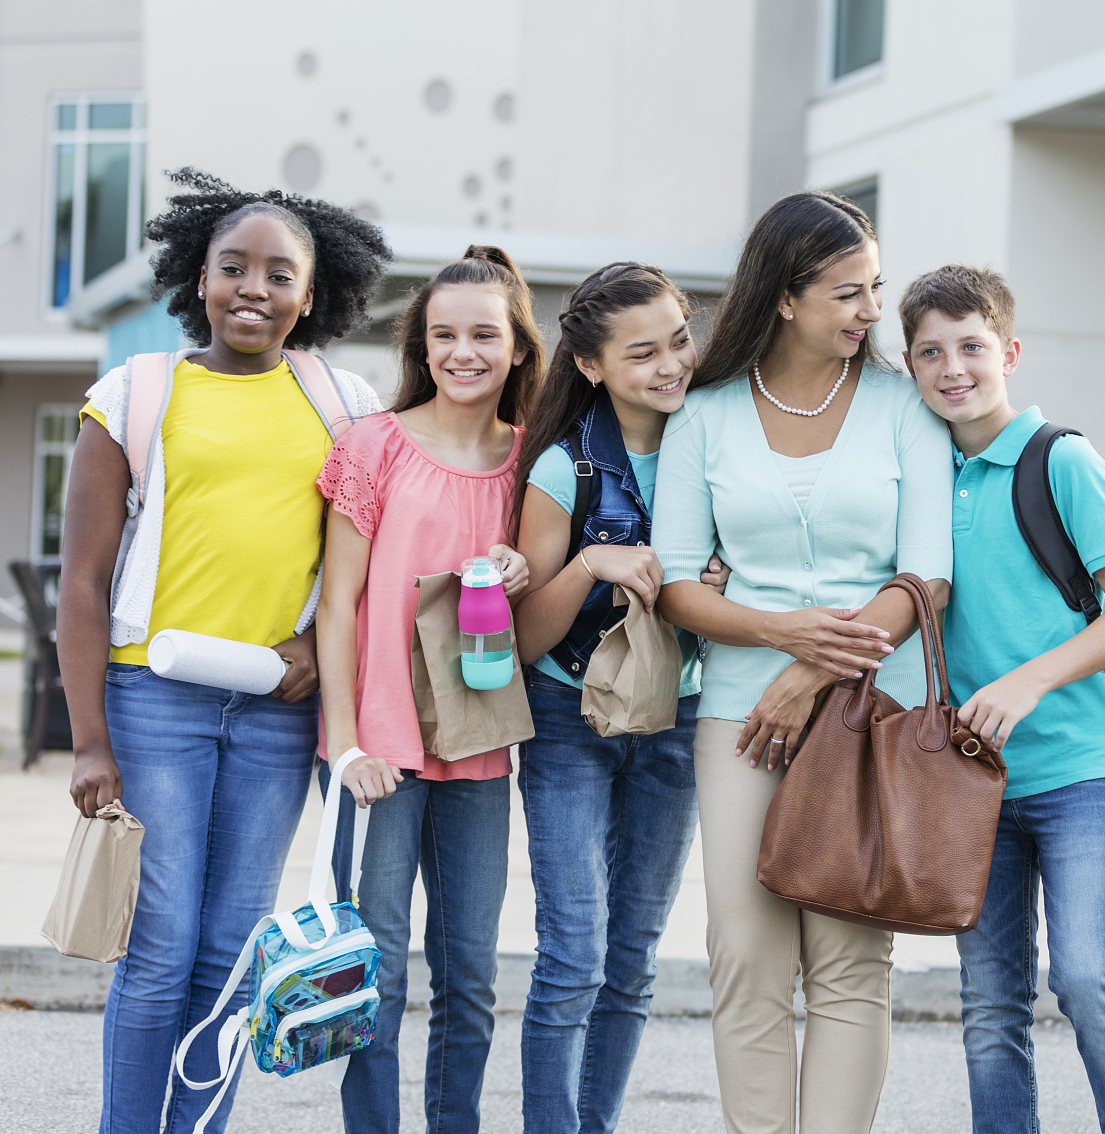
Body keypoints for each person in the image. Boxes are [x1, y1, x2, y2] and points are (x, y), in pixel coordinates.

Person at [56, 169, 388, 1134]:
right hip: (153, 701)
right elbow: (82, 582)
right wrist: (89, 740)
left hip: (277, 707)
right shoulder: (136, 393)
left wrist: (317, 642)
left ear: (311, 296)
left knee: (231, 954)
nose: (254, 289)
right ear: (198, 278)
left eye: (280, 275)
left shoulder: (345, 403)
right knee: (159, 949)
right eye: (233, 267)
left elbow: (367, 560)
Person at [651, 191, 954, 1134]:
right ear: (784, 297)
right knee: (746, 955)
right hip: (741, 718)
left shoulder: (905, 406)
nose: (872, 311)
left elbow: (926, 579)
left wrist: (812, 670)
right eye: (847, 293)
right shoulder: (704, 416)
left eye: (876, 288)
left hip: (874, 713)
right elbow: (675, 586)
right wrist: (783, 637)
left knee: (851, 962)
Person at [898, 264, 1105, 1134]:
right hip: (971, 782)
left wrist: (1029, 679)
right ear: (908, 366)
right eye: (930, 352)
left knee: (1088, 978)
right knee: (990, 1003)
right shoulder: (920, 472)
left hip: (1079, 768)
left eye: (972, 347)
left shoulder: (1062, 459)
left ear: (1009, 352)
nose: (953, 368)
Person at [314, 245, 539, 1134]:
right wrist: (346, 745)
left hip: (477, 747)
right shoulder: (373, 446)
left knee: (470, 977)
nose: (462, 352)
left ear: (517, 348)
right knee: (373, 973)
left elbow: (545, 594)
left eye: (483, 335)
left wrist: (526, 567)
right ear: (422, 345)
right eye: (444, 335)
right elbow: (337, 606)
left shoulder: (533, 461)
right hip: (379, 751)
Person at [509, 262, 726, 1134]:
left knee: (631, 962)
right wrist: (589, 565)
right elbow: (525, 639)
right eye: (642, 353)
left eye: (679, 341)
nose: (671, 365)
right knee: (574, 959)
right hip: (570, 720)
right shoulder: (563, 468)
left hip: (680, 717)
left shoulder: (716, 446)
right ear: (591, 365)